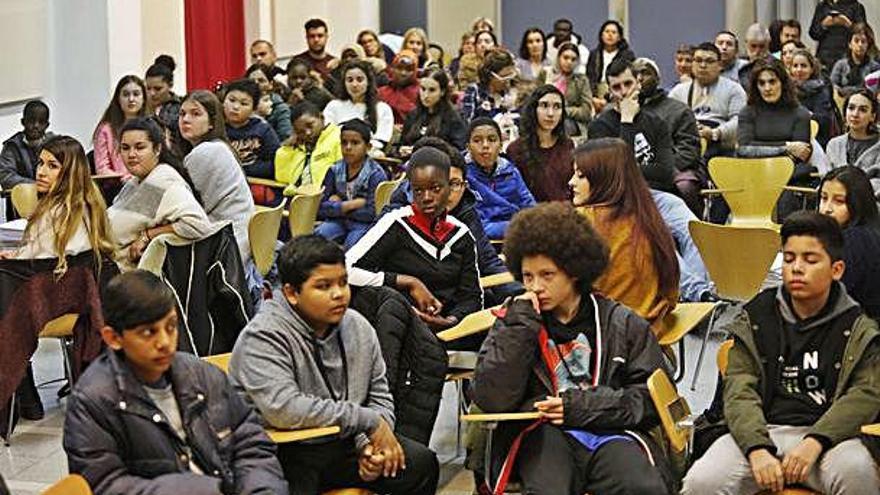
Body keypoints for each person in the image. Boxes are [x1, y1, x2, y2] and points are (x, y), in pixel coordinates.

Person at [472, 202, 675, 495]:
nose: (535, 287)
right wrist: (519, 329)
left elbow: (651, 399)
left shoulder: (621, 322)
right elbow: (491, 398)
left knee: (642, 486)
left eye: (547, 275)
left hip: (610, 431)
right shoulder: (513, 321)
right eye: (528, 277)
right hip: (542, 434)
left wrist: (579, 406)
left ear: (574, 272)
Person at [682, 210, 880, 495]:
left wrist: (816, 440)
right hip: (761, 430)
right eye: (789, 259)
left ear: (836, 269)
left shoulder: (858, 325)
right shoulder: (756, 317)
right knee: (702, 481)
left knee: (858, 473)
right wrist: (757, 448)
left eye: (810, 260)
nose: (796, 268)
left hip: (831, 439)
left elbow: (865, 395)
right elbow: (739, 390)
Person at [229, 235, 439, 494]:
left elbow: (379, 395)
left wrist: (368, 448)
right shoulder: (263, 336)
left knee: (419, 464)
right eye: (323, 286)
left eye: (343, 282)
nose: (339, 294)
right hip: (282, 451)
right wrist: (367, 422)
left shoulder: (358, 326)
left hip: (341, 442)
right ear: (292, 293)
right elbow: (284, 409)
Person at [63, 270, 288, 495]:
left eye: (171, 327)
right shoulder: (92, 401)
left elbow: (250, 445)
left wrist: (261, 490)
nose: (165, 342)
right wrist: (200, 490)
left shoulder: (202, 374)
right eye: (148, 332)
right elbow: (105, 485)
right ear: (113, 338)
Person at [346, 146, 483, 334]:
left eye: (435, 189)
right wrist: (408, 282)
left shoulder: (462, 234)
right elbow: (345, 270)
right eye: (418, 190)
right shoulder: (396, 223)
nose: (426, 197)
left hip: (447, 330)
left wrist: (450, 321)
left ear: (449, 187)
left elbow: (472, 297)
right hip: (398, 325)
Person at [569, 138, 679, 335]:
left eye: (581, 176)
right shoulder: (648, 216)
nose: (571, 182)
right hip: (651, 333)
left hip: (600, 339)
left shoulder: (583, 221)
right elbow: (671, 293)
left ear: (605, 179)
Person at [109, 117, 214, 268]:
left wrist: (148, 236)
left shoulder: (163, 181)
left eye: (139, 147)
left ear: (157, 149)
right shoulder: (135, 182)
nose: (131, 154)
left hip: (126, 276)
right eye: (125, 148)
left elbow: (199, 225)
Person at [178, 90, 255, 263]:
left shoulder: (206, 152)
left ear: (212, 122)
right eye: (182, 114)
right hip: (240, 239)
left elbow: (185, 211)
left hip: (227, 250)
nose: (186, 119)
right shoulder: (219, 146)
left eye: (195, 114)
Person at [588, 59, 676, 193]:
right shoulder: (599, 127)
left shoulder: (657, 123)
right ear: (610, 91)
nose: (624, 92)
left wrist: (629, 169)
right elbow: (614, 174)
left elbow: (666, 172)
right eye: (616, 87)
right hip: (621, 196)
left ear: (638, 83)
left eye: (628, 84)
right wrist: (626, 121)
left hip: (659, 194)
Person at [633, 57, 705, 215]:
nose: (639, 78)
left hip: (673, 170)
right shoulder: (623, 112)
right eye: (635, 74)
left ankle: (694, 232)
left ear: (658, 79)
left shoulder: (678, 110)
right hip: (634, 171)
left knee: (685, 186)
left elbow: (689, 151)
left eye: (645, 73)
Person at [315, 119, 387, 249]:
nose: (348, 147)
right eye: (344, 143)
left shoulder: (375, 174)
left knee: (353, 245)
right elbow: (320, 207)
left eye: (355, 143)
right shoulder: (334, 169)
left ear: (368, 147)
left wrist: (336, 206)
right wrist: (350, 205)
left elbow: (372, 212)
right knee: (318, 237)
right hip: (338, 221)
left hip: (363, 224)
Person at [819, 166, 880, 317]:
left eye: (839, 201)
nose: (827, 209)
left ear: (857, 203)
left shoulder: (855, 241)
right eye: (824, 198)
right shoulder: (866, 230)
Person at [670, 42, 747, 159]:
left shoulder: (734, 89)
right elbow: (666, 119)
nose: (703, 65)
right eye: (698, 60)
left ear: (720, 65)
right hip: (687, 148)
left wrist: (715, 133)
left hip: (722, 150)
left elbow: (741, 121)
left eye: (709, 61)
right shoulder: (679, 91)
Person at [465, 117, 535, 240]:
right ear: (468, 147)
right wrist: (518, 227)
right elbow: (472, 224)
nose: (485, 145)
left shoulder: (510, 172)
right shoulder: (462, 175)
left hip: (517, 238)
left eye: (492, 140)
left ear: (501, 145)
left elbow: (530, 207)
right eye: (477, 140)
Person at [507, 85, 575, 202]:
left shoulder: (568, 145)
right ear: (534, 109)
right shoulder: (516, 149)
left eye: (557, 107)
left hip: (565, 213)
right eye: (544, 105)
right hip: (532, 216)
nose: (550, 113)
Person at [324, 60, 394, 153]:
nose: (354, 84)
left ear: (368, 82)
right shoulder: (334, 106)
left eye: (360, 79)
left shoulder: (382, 109)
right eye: (349, 80)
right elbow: (328, 134)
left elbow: (381, 139)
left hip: (369, 155)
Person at [276, 101, 342, 192]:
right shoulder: (299, 146)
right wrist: (287, 149)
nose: (308, 133)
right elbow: (282, 177)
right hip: (299, 196)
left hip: (326, 196)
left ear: (322, 118)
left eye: (310, 125)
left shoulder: (338, 137)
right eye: (300, 131)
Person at [221, 78, 280, 180]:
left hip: (256, 184)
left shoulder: (263, 130)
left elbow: (276, 163)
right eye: (231, 100)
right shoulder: (215, 128)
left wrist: (243, 169)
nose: (235, 107)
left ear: (254, 109)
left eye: (244, 104)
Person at [399, 69, 467, 154]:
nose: (426, 95)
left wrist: (422, 151)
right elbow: (400, 144)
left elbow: (459, 150)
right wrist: (401, 150)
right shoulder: (413, 115)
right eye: (423, 89)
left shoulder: (454, 117)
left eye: (432, 90)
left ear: (442, 92)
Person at [93, 75, 148, 180]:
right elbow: (102, 168)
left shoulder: (153, 126)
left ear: (144, 98)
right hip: (117, 185)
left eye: (136, 94)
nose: (131, 99)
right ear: (118, 99)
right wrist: (126, 178)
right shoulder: (105, 130)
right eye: (126, 95)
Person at [826, 89, 880, 187]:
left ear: (872, 116)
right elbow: (826, 177)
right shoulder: (834, 144)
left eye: (863, 110)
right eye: (851, 108)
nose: (855, 114)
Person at [0, 100, 52, 198]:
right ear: (23, 122)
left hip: (52, 202)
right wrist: (39, 185)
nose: (36, 125)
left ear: (47, 125)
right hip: (20, 206)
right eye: (31, 121)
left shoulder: (56, 143)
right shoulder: (11, 146)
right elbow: (6, 177)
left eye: (41, 122)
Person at [542, 42, 593, 140]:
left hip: (570, 122)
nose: (569, 62)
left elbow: (586, 111)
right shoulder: (545, 74)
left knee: (563, 125)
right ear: (558, 58)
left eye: (573, 59)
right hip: (545, 117)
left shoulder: (581, 80)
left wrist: (563, 111)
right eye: (565, 58)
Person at [791, 48, 839, 147]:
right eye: (795, 66)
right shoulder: (786, 90)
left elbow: (823, 121)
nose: (799, 69)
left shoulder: (820, 91)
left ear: (812, 69)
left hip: (816, 141)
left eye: (803, 66)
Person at [585, 20, 635, 114]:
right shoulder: (594, 54)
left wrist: (607, 99)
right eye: (607, 32)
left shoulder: (627, 55)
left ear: (619, 37)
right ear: (601, 35)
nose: (610, 35)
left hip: (617, 92)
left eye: (614, 32)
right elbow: (589, 77)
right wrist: (593, 98)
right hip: (595, 95)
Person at [459, 48, 518, 123]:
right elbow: (467, 122)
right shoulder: (475, 91)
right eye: (504, 77)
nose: (508, 81)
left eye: (510, 75)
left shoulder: (511, 93)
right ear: (490, 75)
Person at [810, 0, 868, 73]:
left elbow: (863, 33)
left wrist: (847, 23)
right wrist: (824, 25)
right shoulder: (822, 6)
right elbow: (813, 34)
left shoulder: (856, 6)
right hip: (824, 57)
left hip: (846, 55)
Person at [830, 23, 880, 97]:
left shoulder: (875, 67)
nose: (860, 45)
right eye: (856, 41)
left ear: (868, 45)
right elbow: (833, 87)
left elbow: (874, 91)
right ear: (850, 44)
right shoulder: (840, 65)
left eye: (863, 41)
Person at [246, 63, 293, 141]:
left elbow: (286, 138)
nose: (256, 85)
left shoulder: (281, 109)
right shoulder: (241, 106)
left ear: (270, 84)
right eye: (251, 81)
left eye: (261, 81)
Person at [144, 55, 182, 144]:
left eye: (158, 89)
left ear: (170, 85)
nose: (152, 93)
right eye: (148, 88)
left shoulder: (180, 108)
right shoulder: (140, 106)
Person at [377, 50, 420, 125]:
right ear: (392, 69)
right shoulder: (381, 92)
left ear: (415, 71)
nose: (403, 73)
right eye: (399, 68)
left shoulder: (422, 92)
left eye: (409, 69)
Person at [292, 18, 336, 83]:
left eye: (320, 36)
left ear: (326, 37)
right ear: (307, 38)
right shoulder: (297, 61)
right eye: (312, 36)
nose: (316, 40)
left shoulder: (334, 63)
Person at [738, 23, 775, 88]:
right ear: (746, 43)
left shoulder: (776, 65)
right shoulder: (738, 63)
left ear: (768, 45)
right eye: (753, 46)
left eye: (761, 46)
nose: (757, 51)